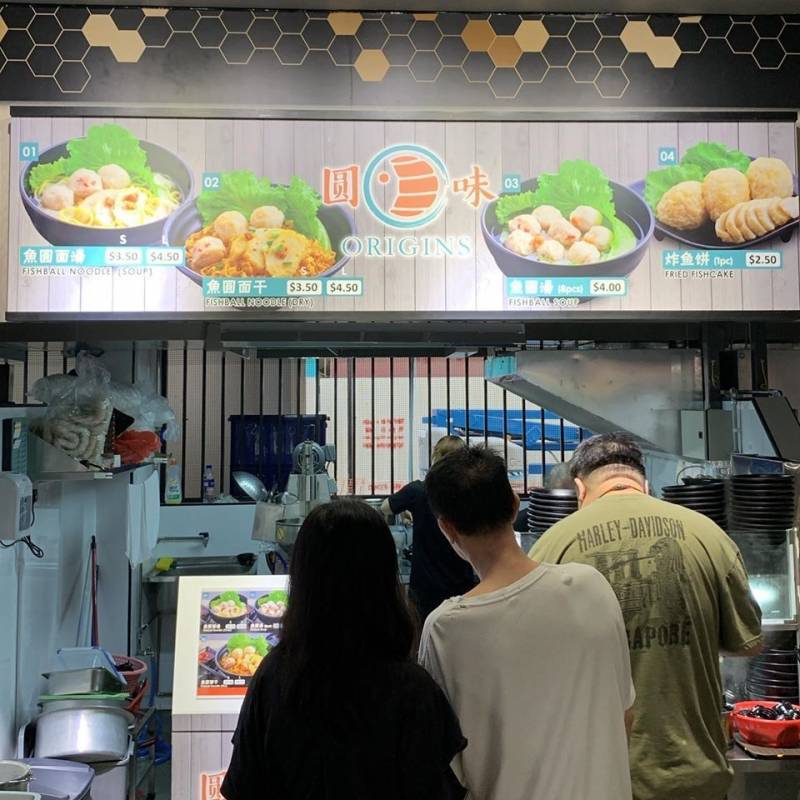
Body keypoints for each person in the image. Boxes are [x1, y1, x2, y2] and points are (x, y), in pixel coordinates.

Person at [531, 433, 763, 800]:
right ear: (645, 484)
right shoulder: (709, 536)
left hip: (596, 780)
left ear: (580, 488)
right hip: (694, 777)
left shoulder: (551, 546)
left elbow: (536, 666)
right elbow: (747, 643)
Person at [420, 446, 635, 800]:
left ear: (447, 528)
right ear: (515, 504)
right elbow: (625, 716)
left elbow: (444, 760)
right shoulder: (591, 587)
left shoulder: (446, 629)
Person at [222, 499, 467, 800]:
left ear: (303, 578)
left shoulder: (274, 676)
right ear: (384, 578)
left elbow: (243, 786)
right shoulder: (414, 689)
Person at [383, 435, 476, 622]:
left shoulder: (418, 491)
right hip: (463, 586)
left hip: (425, 589)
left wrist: (407, 510)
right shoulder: (471, 492)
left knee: (424, 634)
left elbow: (386, 507)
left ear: (435, 458)